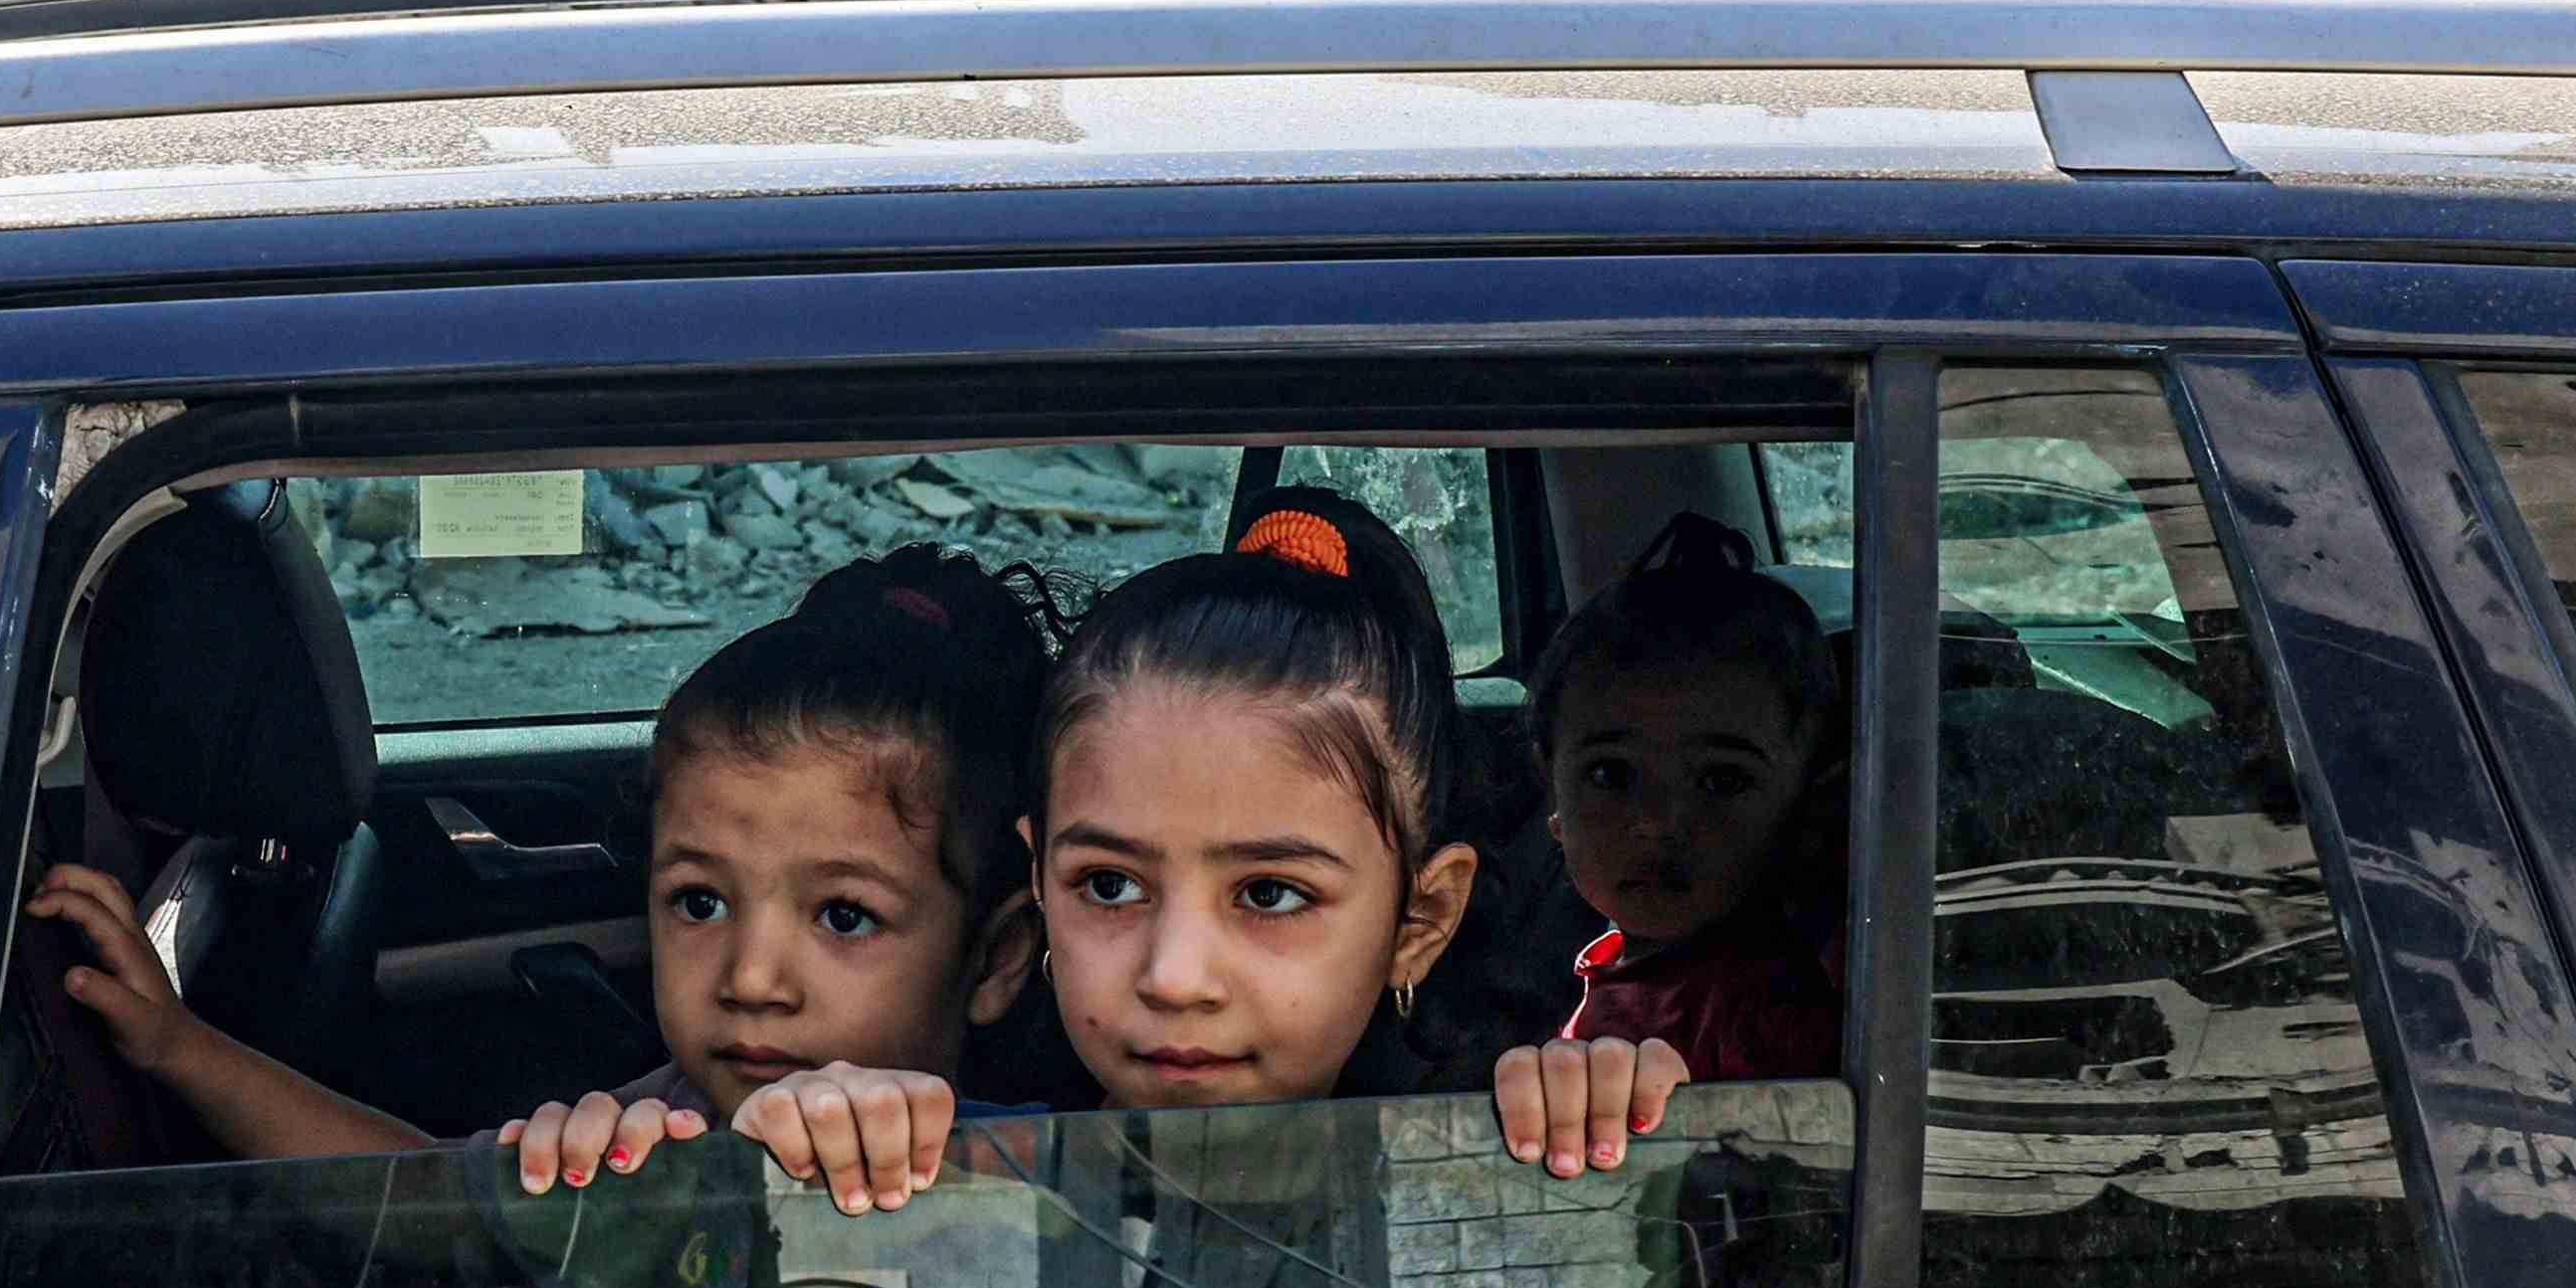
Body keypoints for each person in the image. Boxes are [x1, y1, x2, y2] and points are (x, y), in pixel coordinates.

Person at [706, 496, 1684, 1204]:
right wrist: (819, 1144)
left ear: (1418, 920)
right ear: (1037, 880)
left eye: (1268, 893)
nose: (1174, 975)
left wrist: (1598, 1118)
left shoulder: (1487, 1169)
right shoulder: (951, 1173)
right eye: (1109, 883)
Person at [26, 544, 1060, 1193]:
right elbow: (424, 1199)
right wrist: (178, 1046)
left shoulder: (1042, 1188)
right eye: (699, 900)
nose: (751, 977)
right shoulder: (659, 1130)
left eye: (843, 915)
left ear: (998, 955)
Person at [1539, 515, 1846, 1089]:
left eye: (1722, 781)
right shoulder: (1625, 962)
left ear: (1810, 798)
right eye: (1610, 774)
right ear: (1552, 792)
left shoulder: (1765, 1015)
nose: (1656, 823)